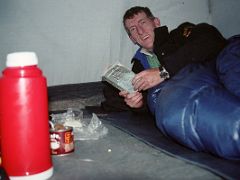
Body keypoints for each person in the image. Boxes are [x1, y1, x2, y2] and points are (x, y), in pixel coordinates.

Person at [101, 6, 226, 113]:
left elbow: (210, 38)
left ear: (156, 22)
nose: (140, 31)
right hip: (193, 103)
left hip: (221, 74)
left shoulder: (178, 35)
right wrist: (139, 104)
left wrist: (163, 72)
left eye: (143, 22)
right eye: (133, 29)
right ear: (132, 38)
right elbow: (151, 104)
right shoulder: (138, 67)